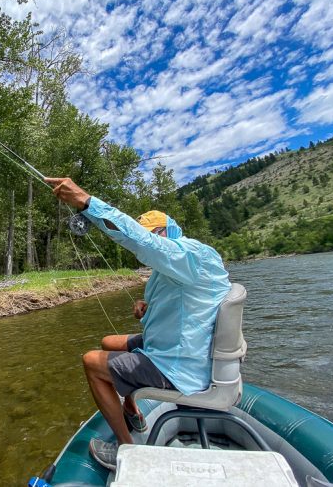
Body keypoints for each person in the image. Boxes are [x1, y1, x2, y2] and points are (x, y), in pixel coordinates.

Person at [44, 177, 231, 471]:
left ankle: (127, 449)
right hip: (181, 345)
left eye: (155, 235)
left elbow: (141, 242)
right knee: (109, 342)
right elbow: (186, 301)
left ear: (167, 231)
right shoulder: (182, 263)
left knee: (91, 361)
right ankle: (133, 411)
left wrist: (86, 201)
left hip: (180, 365)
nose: (151, 243)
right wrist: (150, 308)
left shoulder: (187, 252)